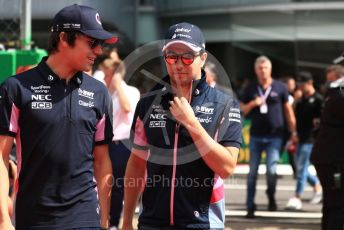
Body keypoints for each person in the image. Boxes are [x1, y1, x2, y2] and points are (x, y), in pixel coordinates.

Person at [0, 4, 117, 230]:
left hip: (85, 215)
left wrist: (104, 220)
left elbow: (102, 161)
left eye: (100, 44)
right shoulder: (15, 88)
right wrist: (3, 219)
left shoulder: (99, 92)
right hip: (33, 216)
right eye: (92, 42)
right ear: (64, 38)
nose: (98, 51)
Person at [122, 22, 242, 230]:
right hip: (152, 221)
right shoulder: (148, 103)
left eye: (187, 56)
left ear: (203, 58)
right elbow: (136, 164)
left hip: (203, 222)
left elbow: (227, 167)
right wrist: (126, 221)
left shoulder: (224, 104)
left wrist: (191, 123)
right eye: (172, 56)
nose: (179, 64)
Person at [240, 55, 297, 218]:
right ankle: (250, 206)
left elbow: (288, 111)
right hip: (256, 136)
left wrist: (293, 132)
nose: (262, 71)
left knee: (271, 171)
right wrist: (253, 103)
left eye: (265, 68)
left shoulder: (280, 87)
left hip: (275, 136)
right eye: (259, 68)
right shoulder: (250, 88)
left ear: (270, 69)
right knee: (252, 173)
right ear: (255, 70)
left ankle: (271, 195)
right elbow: (243, 109)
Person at [95, 57, 140, 230]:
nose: (105, 79)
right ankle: (104, 221)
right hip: (105, 143)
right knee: (103, 184)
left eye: (108, 76)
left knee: (118, 186)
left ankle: (113, 223)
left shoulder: (130, 91)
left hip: (123, 144)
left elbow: (127, 107)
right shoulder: (104, 93)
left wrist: (118, 84)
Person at [311, 65, 344, 230]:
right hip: (333, 159)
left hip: (329, 157)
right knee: (337, 204)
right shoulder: (339, 94)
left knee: (332, 203)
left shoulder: (335, 92)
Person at [285, 71, 323, 210]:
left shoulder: (318, 99)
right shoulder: (301, 100)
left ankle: (297, 196)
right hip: (300, 137)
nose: (299, 86)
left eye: (302, 83)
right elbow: (293, 115)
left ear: (309, 83)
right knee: (300, 168)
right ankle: (318, 186)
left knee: (301, 168)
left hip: (311, 138)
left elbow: (322, 118)